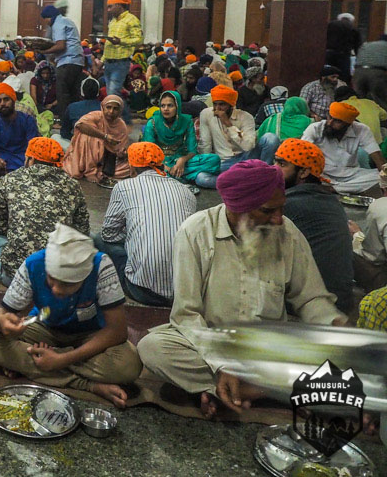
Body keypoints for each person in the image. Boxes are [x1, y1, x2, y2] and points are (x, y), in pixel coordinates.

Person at [137, 161, 347, 418]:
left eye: (282, 208)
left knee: (340, 359)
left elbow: (310, 298)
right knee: (153, 348)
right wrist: (224, 364)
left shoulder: (286, 232)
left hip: (269, 350)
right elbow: (187, 315)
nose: (278, 219)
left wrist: (332, 321)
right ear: (238, 208)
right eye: (267, 210)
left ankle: (228, 391)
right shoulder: (195, 232)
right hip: (212, 345)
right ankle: (265, 389)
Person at [0, 223, 142, 408]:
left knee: (129, 365)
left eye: (67, 284)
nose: (56, 289)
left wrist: (62, 359)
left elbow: (117, 331)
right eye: (51, 280)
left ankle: (38, 365)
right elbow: (2, 312)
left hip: (91, 335)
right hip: (45, 328)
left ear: (83, 276)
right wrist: (1, 320)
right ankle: (88, 385)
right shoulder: (33, 264)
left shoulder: (101, 266)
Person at [0, 137, 88, 286]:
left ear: (31, 159)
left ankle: (8, 269)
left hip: (17, 278)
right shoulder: (73, 185)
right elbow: (83, 232)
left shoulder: (11, 179)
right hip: (60, 282)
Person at [94, 143, 197, 306]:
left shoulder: (124, 187)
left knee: (97, 239)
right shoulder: (186, 191)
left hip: (142, 291)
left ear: (132, 166)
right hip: (184, 293)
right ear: (162, 164)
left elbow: (109, 234)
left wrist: (134, 236)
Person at [274, 138, 354, 313]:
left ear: (303, 172)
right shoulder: (331, 200)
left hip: (311, 306)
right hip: (341, 300)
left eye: (282, 164)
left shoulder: (289, 204)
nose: (274, 169)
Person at [194, 84, 279, 189]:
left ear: (231, 105)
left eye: (222, 105)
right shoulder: (206, 114)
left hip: (247, 158)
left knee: (271, 138)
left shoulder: (246, 117)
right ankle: (249, 181)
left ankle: (263, 175)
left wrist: (229, 125)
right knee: (201, 178)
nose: (217, 108)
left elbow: (248, 146)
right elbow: (205, 143)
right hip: (224, 163)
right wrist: (206, 164)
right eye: (215, 104)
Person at [301, 101, 386, 195]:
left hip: (351, 174)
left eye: (337, 121)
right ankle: (347, 189)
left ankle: (335, 189)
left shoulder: (361, 130)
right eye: (330, 117)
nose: (330, 122)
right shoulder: (315, 128)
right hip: (323, 174)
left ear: (349, 124)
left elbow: (377, 157)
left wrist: (384, 177)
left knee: (378, 176)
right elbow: (302, 155)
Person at [142, 90, 220, 185]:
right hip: (159, 162)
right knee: (148, 168)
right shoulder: (153, 123)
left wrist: (182, 160)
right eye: (163, 106)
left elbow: (192, 150)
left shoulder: (186, 121)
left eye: (170, 105)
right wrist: (163, 166)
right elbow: (148, 152)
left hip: (180, 159)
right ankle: (182, 176)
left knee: (214, 159)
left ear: (177, 106)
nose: (166, 109)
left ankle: (174, 177)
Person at [63, 94, 131, 187]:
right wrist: (105, 137)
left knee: (128, 167)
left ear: (120, 111)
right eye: (108, 108)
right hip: (89, 154)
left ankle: (100, 171)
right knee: (89, 137)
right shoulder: (96, 115)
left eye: (115, 109)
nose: (111, 111)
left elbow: (120, 148)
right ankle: (89, 170)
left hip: (106, 158)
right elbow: (80, 125)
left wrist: (122, 153)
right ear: (103, 107)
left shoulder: (121, 125)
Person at [41, 0, 84, 119]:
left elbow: (61, 46)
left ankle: (65, 123)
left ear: (48, 17)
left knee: (63, 95)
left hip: (67, 63)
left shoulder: (58, 24)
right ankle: (75, 121)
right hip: (77, 62)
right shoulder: (67, 21)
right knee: (74, 94)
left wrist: (44, 51)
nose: (46, 23)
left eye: (45, 20)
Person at [102, 0, 143, 97]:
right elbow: (109, 43)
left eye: (110, 6)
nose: (108, 10)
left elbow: (139, 40)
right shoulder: (113, 21)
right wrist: (102, 60)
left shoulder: (131, 19)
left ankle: (120, 113)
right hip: (108, 62)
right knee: (111, 94)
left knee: (113, 93)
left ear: (119, 6)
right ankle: (123, 113)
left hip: (120, 63)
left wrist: (121, 42)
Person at [326, 12, 361, 84]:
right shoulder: (353, 28)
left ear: (339, 18)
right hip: (343, 55)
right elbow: (357, 45)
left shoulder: (330, 24)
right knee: (343, 77)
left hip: (328, 53)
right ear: (351, 20)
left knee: (327, 74)